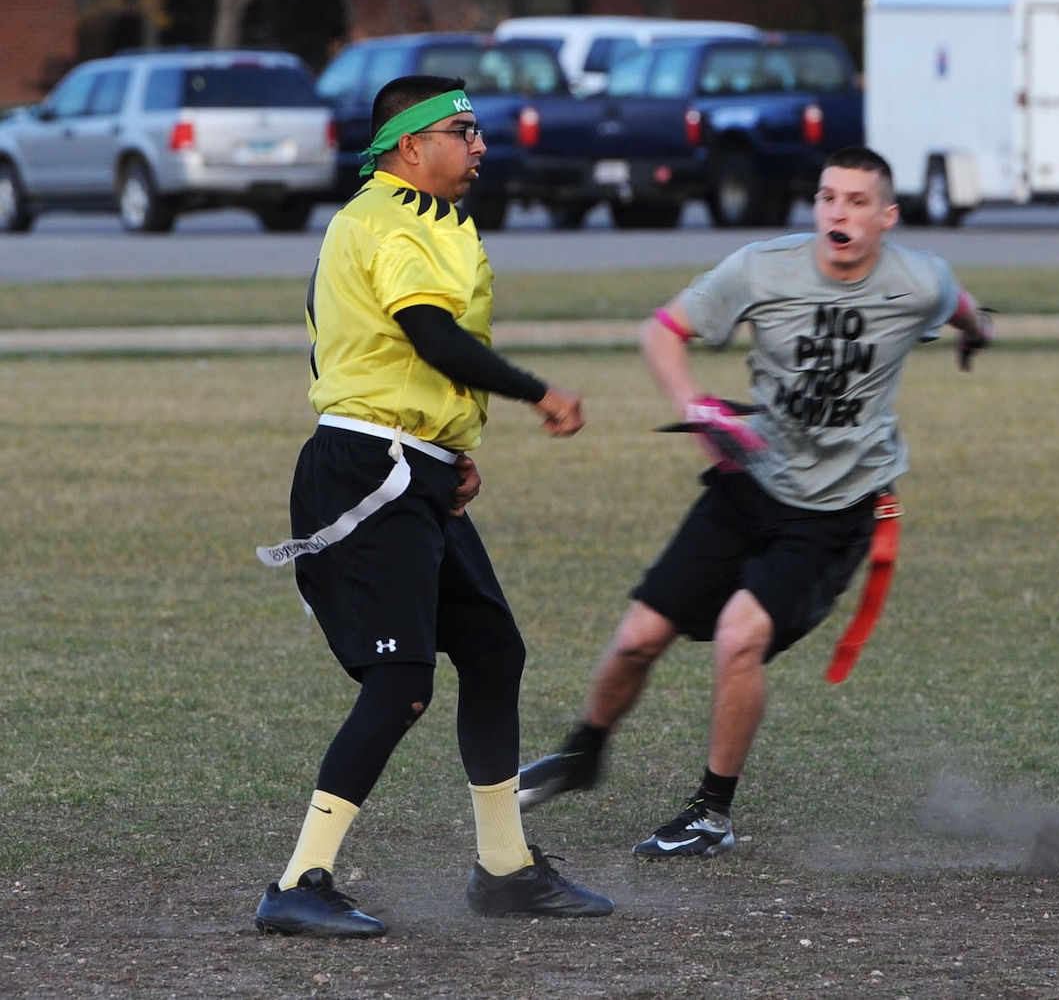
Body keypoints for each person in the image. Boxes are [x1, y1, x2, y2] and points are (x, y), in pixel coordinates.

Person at [516, 145, 994, 859]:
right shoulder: (762, 267)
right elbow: (661, 331)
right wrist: (696, 408)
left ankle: (712, 813)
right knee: (638, 638)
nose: (839, 212)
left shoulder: (917, 281)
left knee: (741, 637)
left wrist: (976, 337)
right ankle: (584, 752)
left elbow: (963, 309)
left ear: (887, 217)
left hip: (836, 511)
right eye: (829, 197)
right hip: (750, 479)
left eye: (858, 201)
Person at [253, 75, 612, 938]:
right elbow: (432, 338)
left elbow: (425, 365)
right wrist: (536, 392)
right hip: (366, 468)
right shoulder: (381, 219)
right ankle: (299, 882)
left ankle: (506, 870)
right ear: (410, 147)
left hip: (414, 465)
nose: (480, 145)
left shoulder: (440, 222)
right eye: (463, 130)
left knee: (493, 651)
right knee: (401, 681)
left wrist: (453, 448)